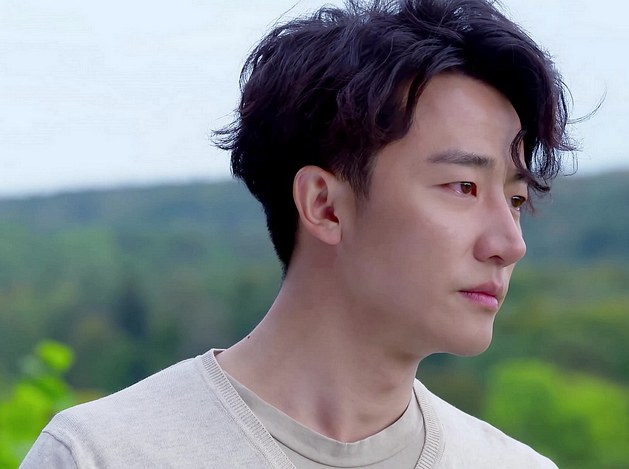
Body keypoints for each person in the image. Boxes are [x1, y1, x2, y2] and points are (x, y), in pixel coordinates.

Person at [23, 0, 574, 467]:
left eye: (515, 199)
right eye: (463, 187)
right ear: (324, 206)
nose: (510, 243)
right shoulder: (103, 454)